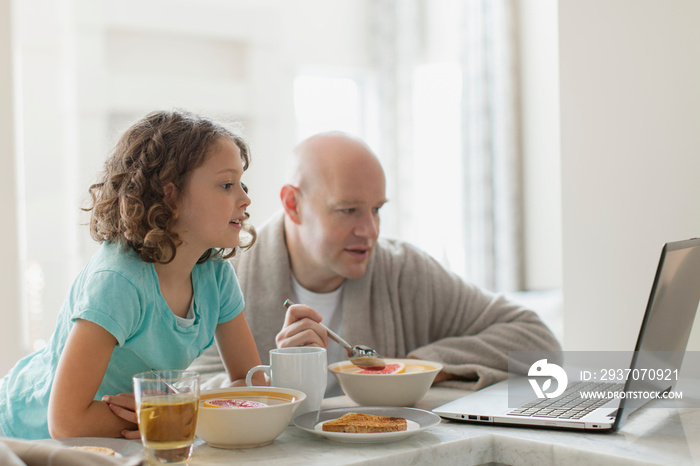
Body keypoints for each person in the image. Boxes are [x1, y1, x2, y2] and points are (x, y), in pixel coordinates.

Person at [190, 131, 561, 396]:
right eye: (348, 210)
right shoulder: (225, 277)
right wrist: (277, 380)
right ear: (292, 204)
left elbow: (535, 337)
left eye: (377, 210)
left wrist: (415, 367)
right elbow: (190, 385)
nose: (370, 231)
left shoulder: (405, 272)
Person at [0, 110, 264, 440]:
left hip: (108, 442)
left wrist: (177, 409)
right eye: (226, 185)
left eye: (242, 183)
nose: (245, 198)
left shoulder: (216, 277)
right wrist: (168, 414)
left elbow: (250, 383)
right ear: (171, 196)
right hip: (22, 438)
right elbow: (66, 423)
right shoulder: (119, 282)